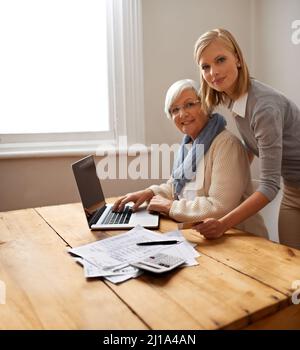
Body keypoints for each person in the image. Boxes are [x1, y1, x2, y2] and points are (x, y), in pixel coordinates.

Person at [113, 79, 267, 237]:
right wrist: (150, 192)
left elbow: (220, 207)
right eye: (174, 110)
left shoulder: (227, 145)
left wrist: (171, 207)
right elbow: (177, 188)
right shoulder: (189, 145)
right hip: (205, 236)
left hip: (240, 239)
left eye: (189, 104)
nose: (182, 114)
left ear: (205, 105)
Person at [193, 28, 300, 249]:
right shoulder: (236, 99)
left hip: (284, 187)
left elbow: (269, 185)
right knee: (291, 265)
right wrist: (230, 175)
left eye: (220, 60)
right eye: (206, 66)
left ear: (238, 59)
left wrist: (223, 224)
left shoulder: (263, 107)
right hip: (293, 190)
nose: (213, 72)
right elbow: (253, 145)